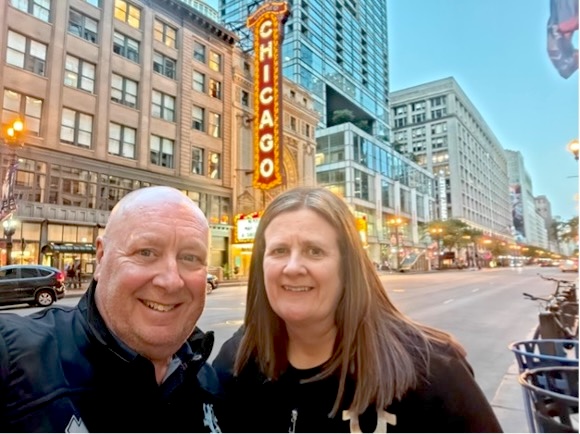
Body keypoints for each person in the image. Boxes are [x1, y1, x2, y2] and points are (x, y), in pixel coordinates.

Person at [213, 186, 502, 433]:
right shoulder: (236, 361)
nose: (293, 267)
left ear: (347, 267)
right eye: (279, 251)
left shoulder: (431, 370)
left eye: (315, 251)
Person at [0, 186, 222, 432]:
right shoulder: (15, 359)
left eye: (190, 257)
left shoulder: (211, 384)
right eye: (146, 252)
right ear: (101, 257)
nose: (171, 281)